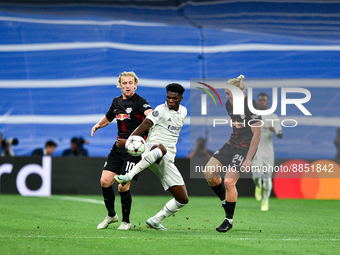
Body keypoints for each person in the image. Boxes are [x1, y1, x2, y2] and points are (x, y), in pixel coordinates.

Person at [114, 83, 189, 231]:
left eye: (174, 98)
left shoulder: (184, 112)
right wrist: (130, 140)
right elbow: (145, 125)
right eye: (168, 97)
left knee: (182, 199)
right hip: (152, 149)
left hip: (167, 158)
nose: (170, 101)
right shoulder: (160, 109)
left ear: (181, 98)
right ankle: (129, 175)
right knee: (160, 148)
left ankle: (155, 220)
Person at [91, 71, 152, 230]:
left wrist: (132, 140)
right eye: (124, 83)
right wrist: (98, 125)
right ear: (120, 85)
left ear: (135, 84)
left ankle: (126, 221)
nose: (127, 86)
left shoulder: (140, 102)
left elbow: (151, 117)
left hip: (134, 150)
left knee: (122, 186)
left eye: (130, 83)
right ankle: (111, 215)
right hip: (118, 147)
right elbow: (109, 117)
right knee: (105, 181)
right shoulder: (116, 102)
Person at [203, 75, 261, 232]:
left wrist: (248, 159)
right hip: (232, 144)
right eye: (226, 94)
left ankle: (228, 220)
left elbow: (257, 135)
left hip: (244, 149)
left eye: (229, 94)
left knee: (229, 181)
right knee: (209, 172)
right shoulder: (230, 105)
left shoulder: (251, 106)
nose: (227, 97)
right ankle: (225, 200)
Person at [252, 93, 282, 211]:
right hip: (256, 150)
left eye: (264, 100)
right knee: (256, 174)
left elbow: (280, 135)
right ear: (258, 102)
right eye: (260, 100)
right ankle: (258, 186)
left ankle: (265, 202)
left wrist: (275, 130)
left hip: (268, 152)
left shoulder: (273, 117)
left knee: (267, 177)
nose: (262, 102)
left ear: (268, 103)